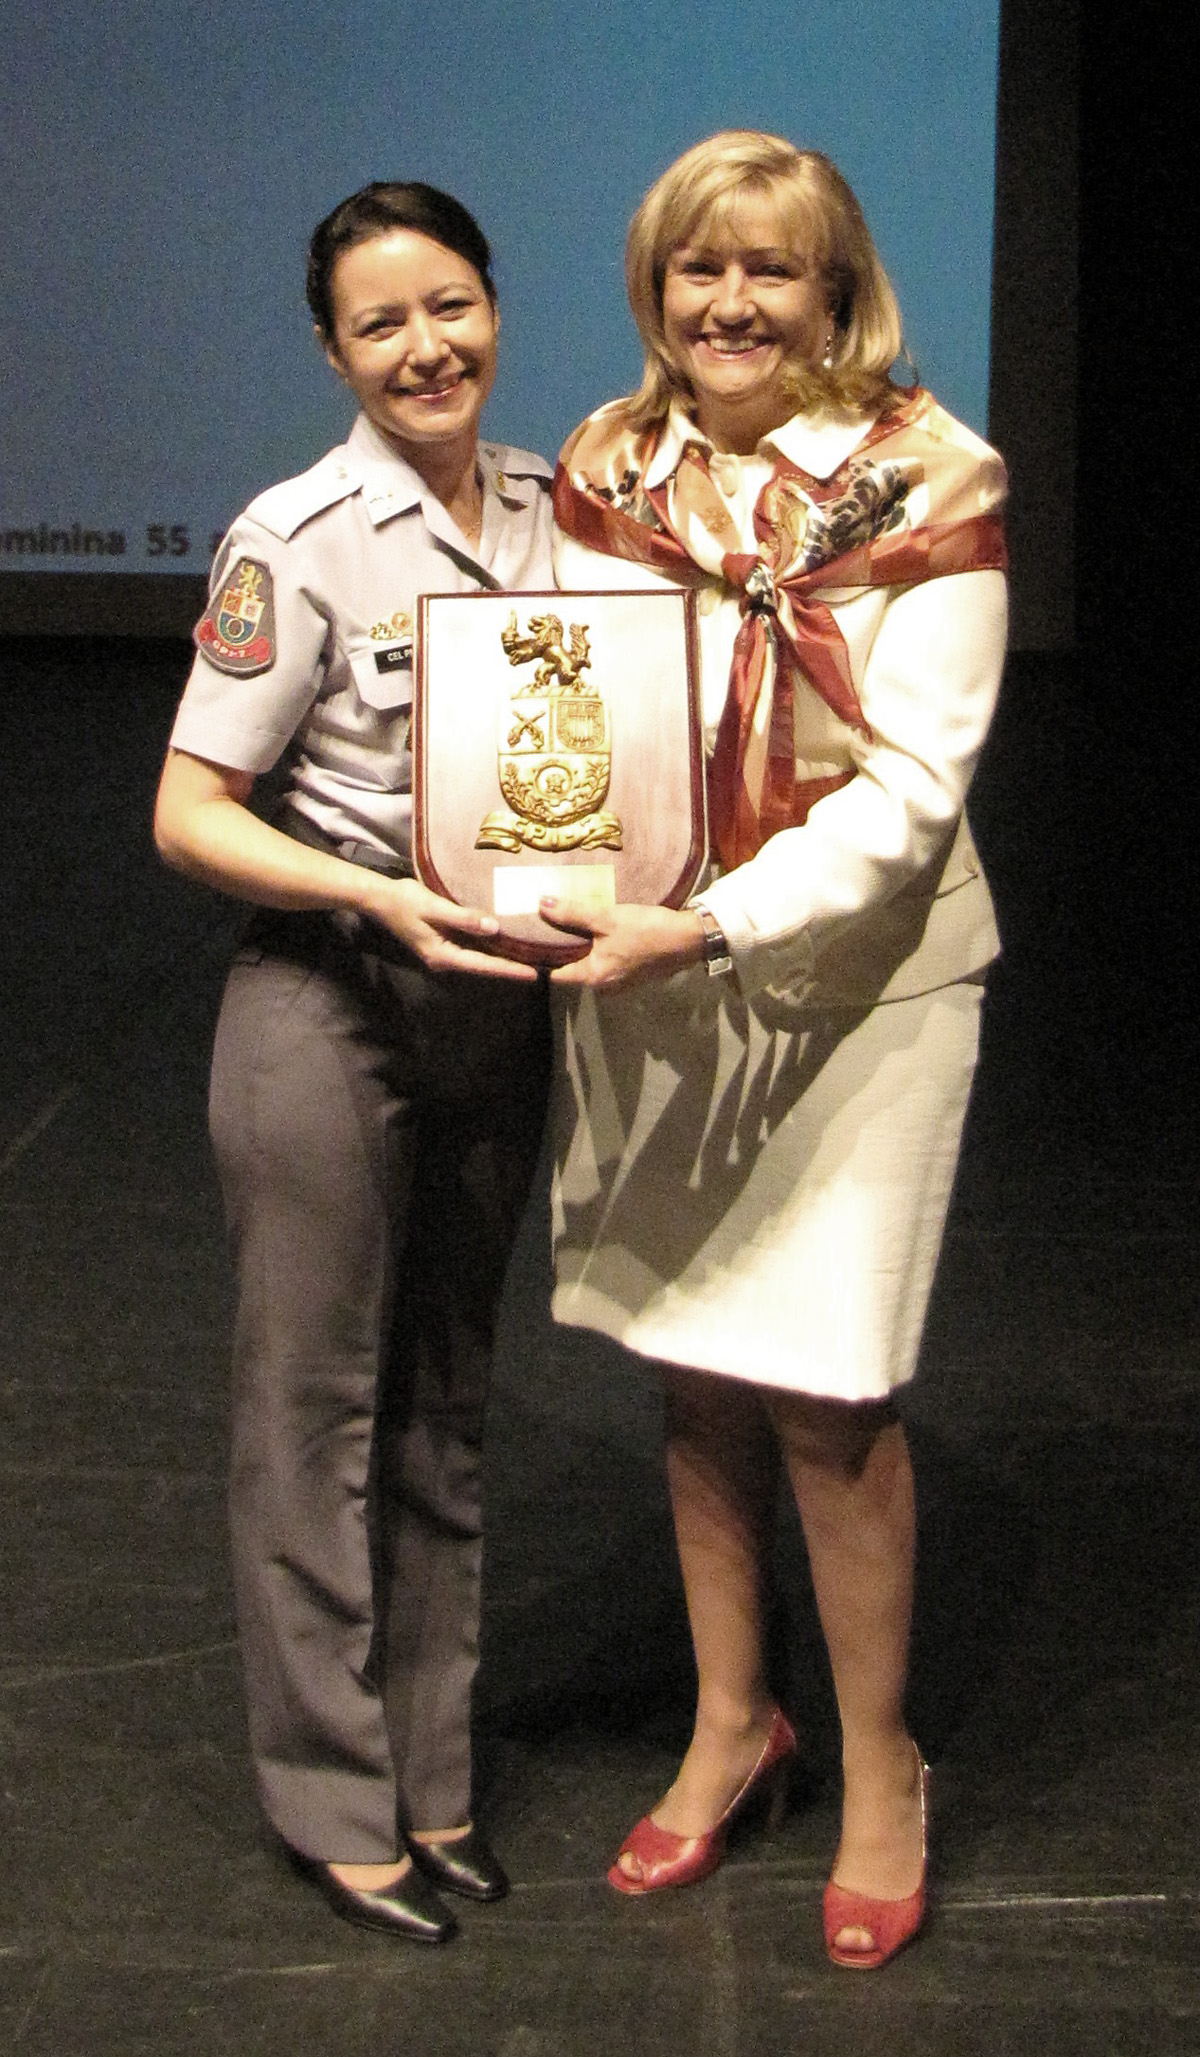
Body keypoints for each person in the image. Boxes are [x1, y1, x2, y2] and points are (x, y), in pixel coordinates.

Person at [544, 131, 1007, 1969]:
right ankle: (738, 1718)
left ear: (836, 291)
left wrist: (710, 919)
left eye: (771, 272)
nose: (729, 306)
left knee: (827, 1393)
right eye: (693, 271)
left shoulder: (926, 473)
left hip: (854, 986)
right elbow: (559, 706)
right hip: (657, 976)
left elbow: (909, 795)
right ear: (657, 291)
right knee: (690, 1367)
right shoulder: (609, 461)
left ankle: (882, 1762)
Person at [154, 182, 554, 1942]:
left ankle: (434, 1773)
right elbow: (187, 812)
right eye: (380, 323)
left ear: (494, 307)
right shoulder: (296, 534)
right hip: (325, 1003)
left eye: (449, 304)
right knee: (313, 1412)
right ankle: (332, 1792)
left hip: (498, 1004)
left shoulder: (560, 509)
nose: (425, 348)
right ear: (334, 352)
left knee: (449, 1404)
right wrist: (377, 896)